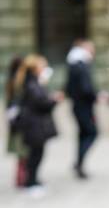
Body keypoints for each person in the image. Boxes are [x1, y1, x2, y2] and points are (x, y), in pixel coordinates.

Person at [14, 55, 62, 197]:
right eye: (43, 66)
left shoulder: (34, 82)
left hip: (36, 126)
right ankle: (31, 182)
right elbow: (41, 104)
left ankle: (34, 180)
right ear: (36, 69)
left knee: (37, 154)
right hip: (33, 126)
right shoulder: (31, 84)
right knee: (34, 156)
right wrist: (54, 100)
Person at [65, 39, 98, 179]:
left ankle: (78, 164)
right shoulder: (81, 65)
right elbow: (86, 89)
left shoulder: (74, 64)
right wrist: (96, 96)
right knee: (92, 133)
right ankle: (79, 163)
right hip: (83, 107)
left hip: (78, 106)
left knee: (83, 134)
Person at [4, 57, 27, 187]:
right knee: (22, 152)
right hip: (19, 121)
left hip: (16, 121)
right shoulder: (16, 82)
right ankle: (21, 178)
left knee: (21, 153)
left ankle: (21, 178)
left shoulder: (11, 81)